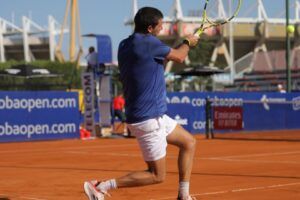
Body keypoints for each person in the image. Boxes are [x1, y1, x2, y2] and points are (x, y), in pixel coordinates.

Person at [84, 7, 199, 200]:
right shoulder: (149, 43)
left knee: (189, 142)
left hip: (153, 115)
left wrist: (180, 45)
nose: (162, 29)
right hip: (148, 119)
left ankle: (183, 195)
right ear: (149, 28)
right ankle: (100, 185)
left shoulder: (124, 45)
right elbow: (179, 56)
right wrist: (188, 42)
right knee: (156, 175)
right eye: (160, 26)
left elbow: (154, 63)